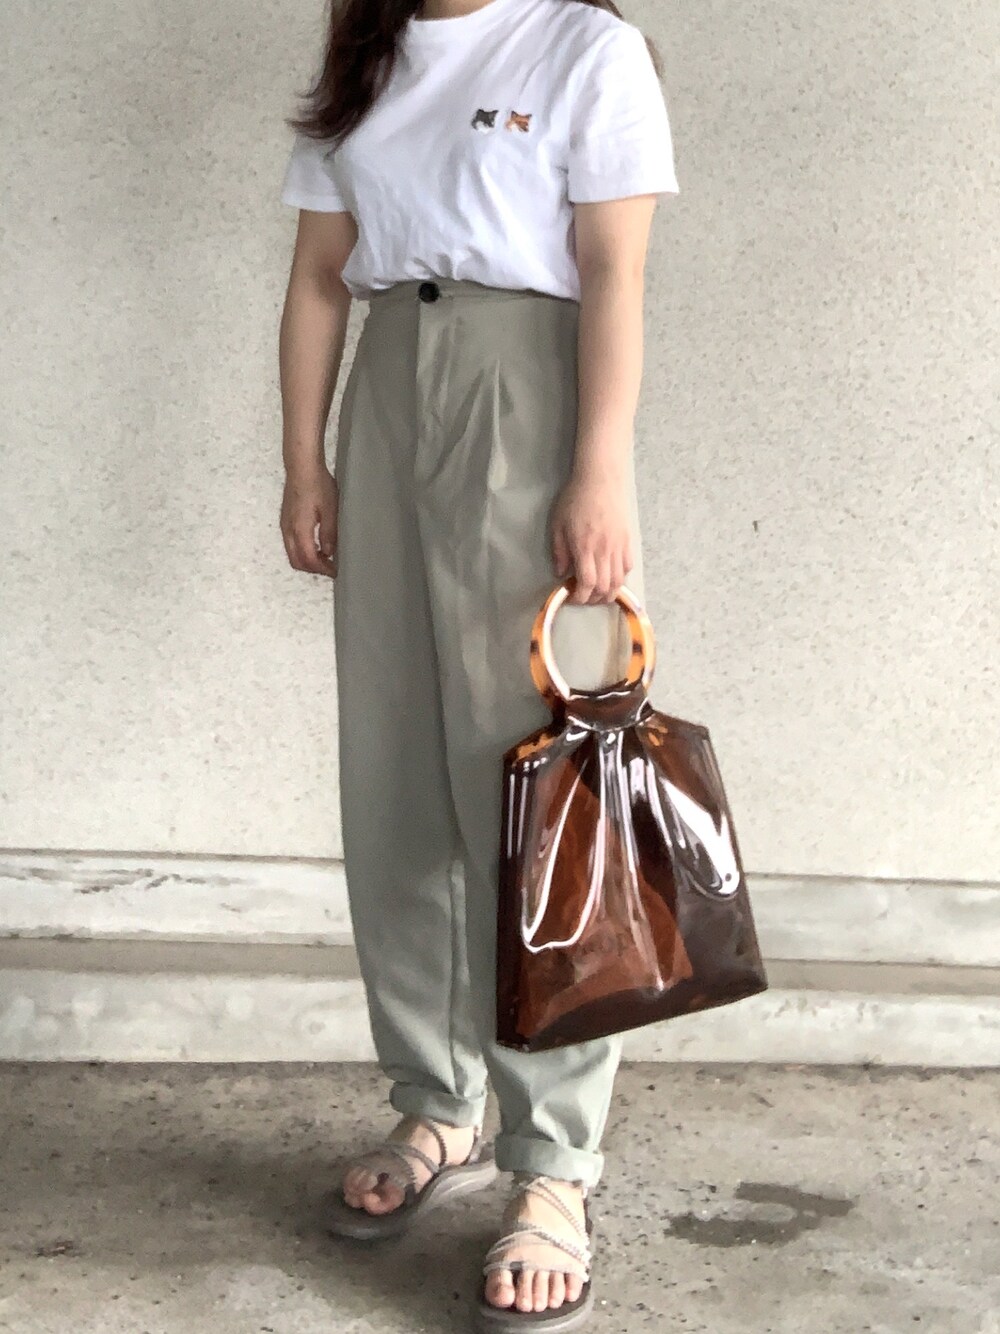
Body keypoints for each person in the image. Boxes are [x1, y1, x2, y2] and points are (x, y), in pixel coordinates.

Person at [276, 0, 679, 1327]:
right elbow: (321, 275)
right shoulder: (367, 49)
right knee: (396, 777)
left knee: (534, 790)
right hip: (392, 382)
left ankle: (553, 1161)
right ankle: (436, 1101)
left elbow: (615, 269)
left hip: (526, 383)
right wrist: (306, 462)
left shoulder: (582, 49)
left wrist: (599, 469)